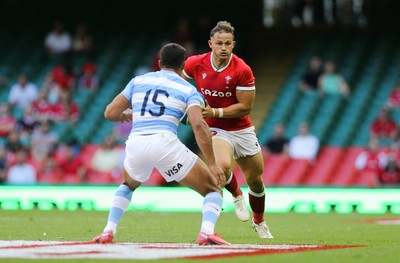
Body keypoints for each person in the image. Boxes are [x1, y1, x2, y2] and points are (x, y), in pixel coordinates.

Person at [92, 43, 229, 245]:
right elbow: (199, 126)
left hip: (136, 141)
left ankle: (108, 231)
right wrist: (212, 163)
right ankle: (206, 232)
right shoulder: (188, 89)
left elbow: (109, 113)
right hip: (165, 143)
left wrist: (125, 114)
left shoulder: (138, 81)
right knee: (212, 189)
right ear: (183, 66)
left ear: (159, 62)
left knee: (128, 185)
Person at [182, 21, 273, 238]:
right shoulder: (195, 63)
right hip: (215, 130)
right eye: (219, 43)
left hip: (241, 129)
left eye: (228, 44)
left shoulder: (242, 69)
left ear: (234, 45)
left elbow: (245, 107)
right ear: (210, 43)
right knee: (221, 166)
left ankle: (259, 221)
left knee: (256, 181)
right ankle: (237, 194)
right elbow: (179, 83)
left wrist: (213, 112)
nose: (224, 47)